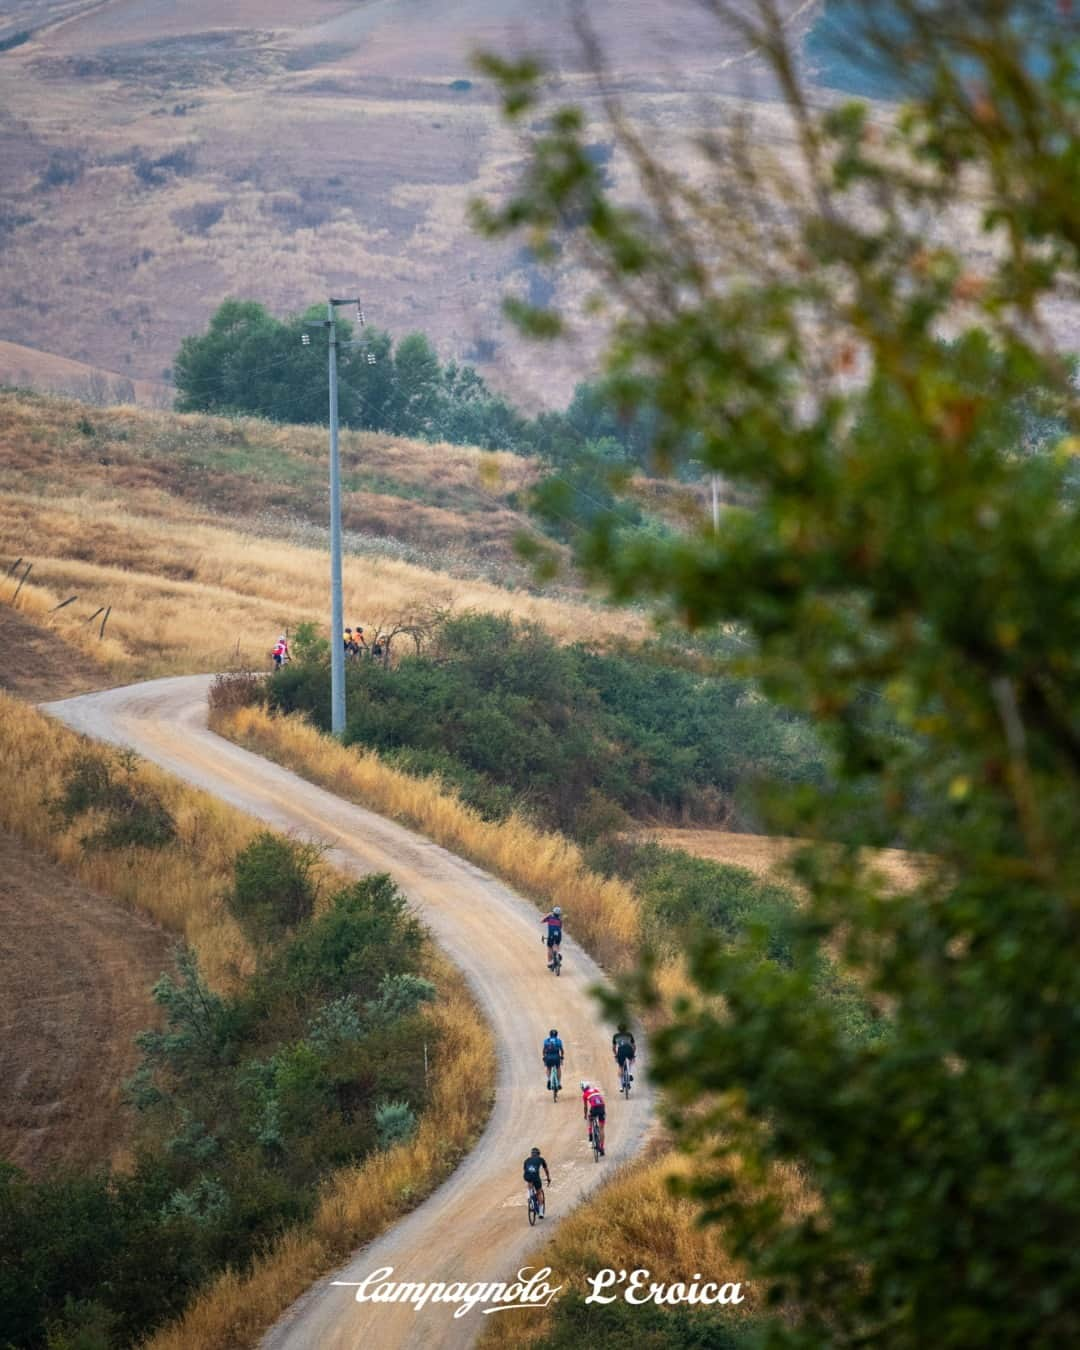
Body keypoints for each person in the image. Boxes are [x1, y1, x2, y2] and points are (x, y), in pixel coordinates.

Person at [523, 1147, 551, 1218]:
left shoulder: (526, 1160)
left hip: (527, 1176)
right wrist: (548, 1178)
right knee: (539, 1192)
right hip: (536, 1177)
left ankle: (529, 1195)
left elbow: (525, 1170)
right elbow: (546, 1170)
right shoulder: (541, 1159)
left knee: (529, 1181)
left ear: (531, 1154)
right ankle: (541, 1212)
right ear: (538, 1154)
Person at [581, 1081, 606, 1155]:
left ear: (583, 1088)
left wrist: (585, 1115)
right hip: (602, 1107)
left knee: (590, 1117)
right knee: (601, 1128)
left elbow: (585, 1107)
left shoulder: (585, 1094)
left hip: (594, 1108)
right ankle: (602, 1147)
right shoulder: (596, 1090)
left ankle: (590, 1134)